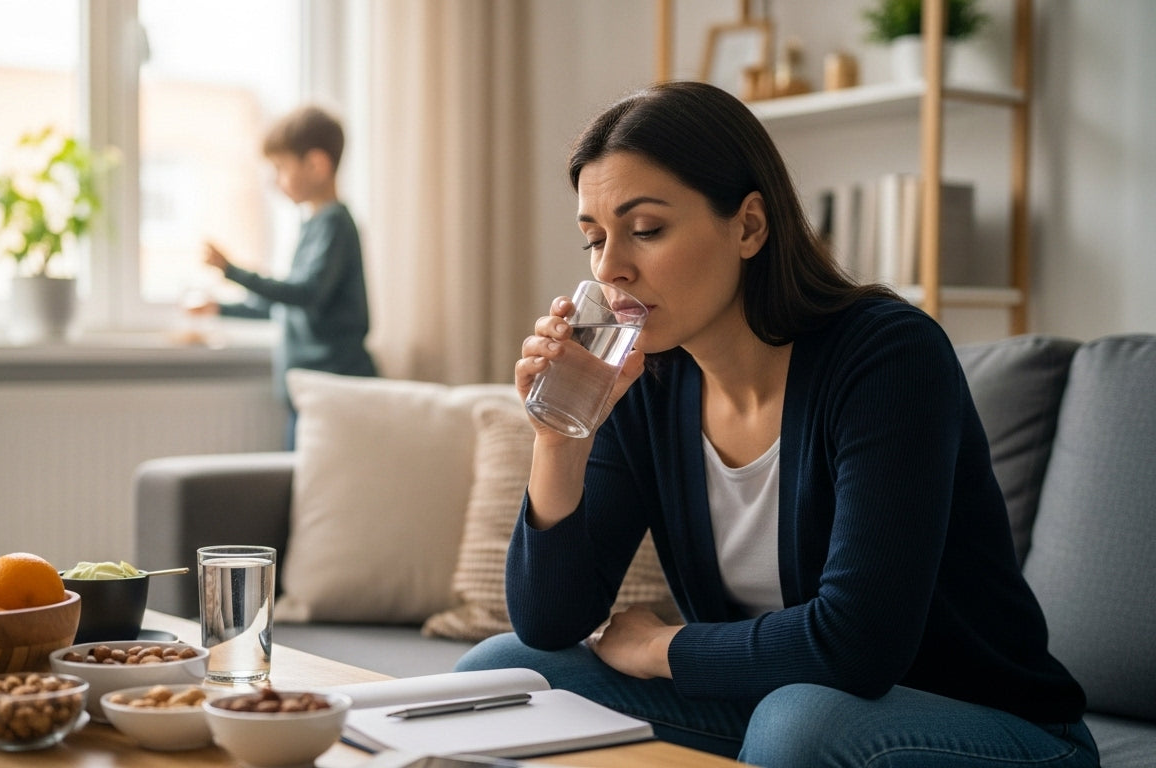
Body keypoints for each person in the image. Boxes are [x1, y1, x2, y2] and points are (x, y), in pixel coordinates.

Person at [454, 81, 1097, 767]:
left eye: (646, 230)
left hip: (984, 725)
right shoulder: (646, 378)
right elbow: (551, 622)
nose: (611, 267)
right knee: (505, 676)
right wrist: (560, 438)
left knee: (801, 725)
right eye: (594, 238)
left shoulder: (888, 358)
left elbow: (857, 645)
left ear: (750, 226)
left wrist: (658, 647)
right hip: (775, 706)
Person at [195, 105, 377, 447]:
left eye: (280, 168)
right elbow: (287, 305)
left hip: (334, 391)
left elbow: (305, 293)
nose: (273, 181)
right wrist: (220, 309)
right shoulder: (314, 226)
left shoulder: (334, 223)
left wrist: (232, 271)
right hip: (308, 393)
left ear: (316, 165)